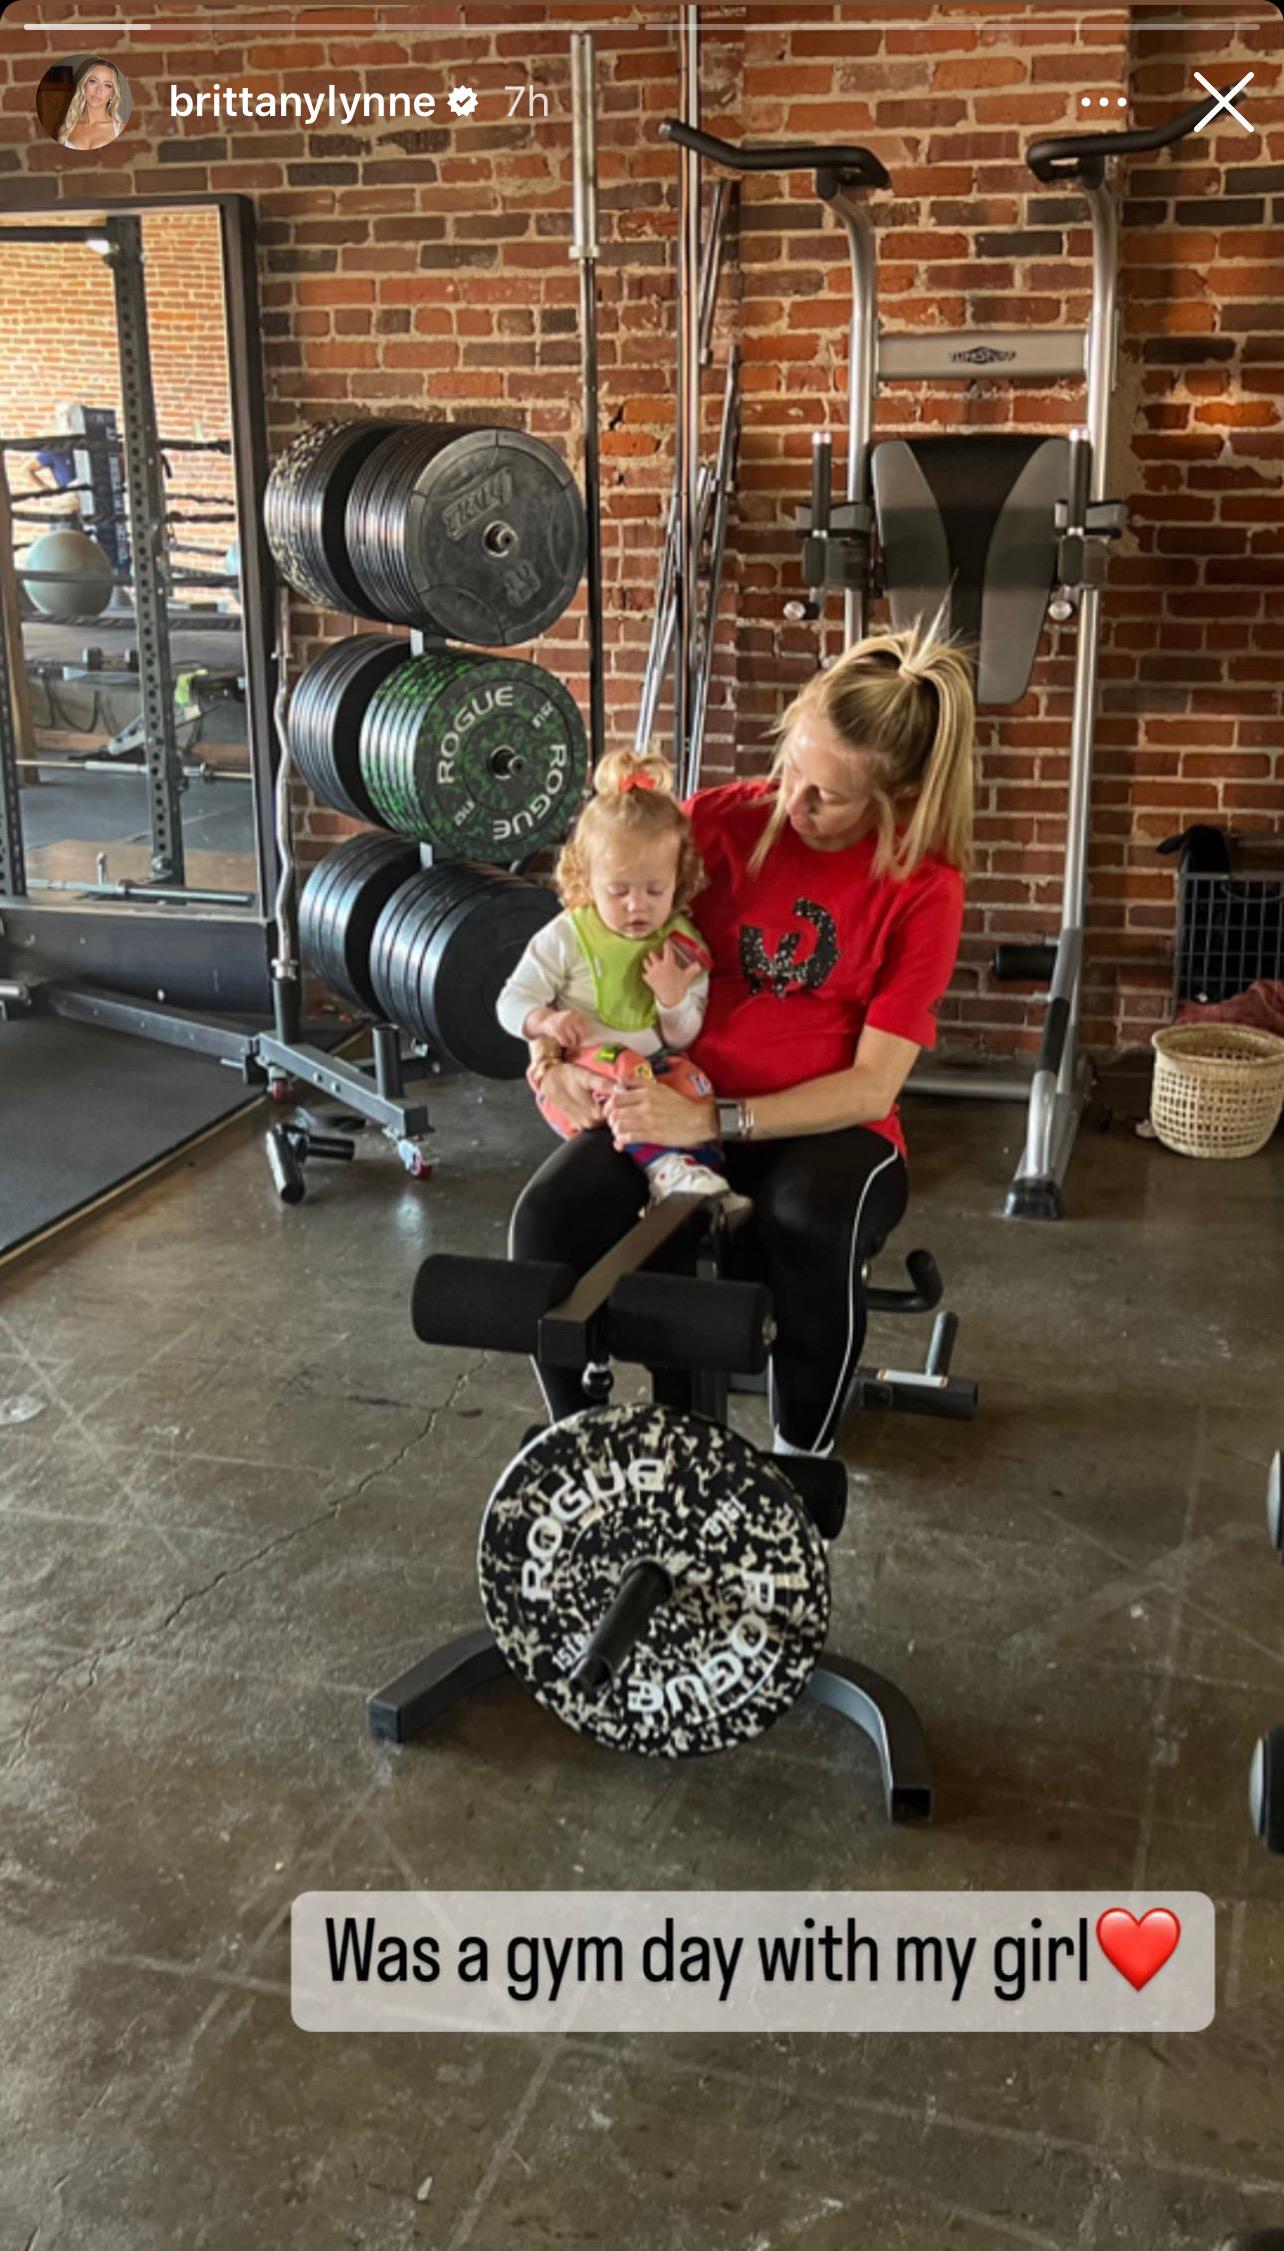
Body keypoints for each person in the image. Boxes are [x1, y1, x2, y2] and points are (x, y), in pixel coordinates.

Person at [509, 621, 974, 1458]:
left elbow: (873, 1086)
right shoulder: (713, 825)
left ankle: (799, 1465)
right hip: (666, 1097)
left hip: (831, 1133)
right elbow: (581, 953)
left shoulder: (923, 887)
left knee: (801, 1222)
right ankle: (585, 1453)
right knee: (548, 1220)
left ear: (892, 797)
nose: (788, 803)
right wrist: (549, 1059)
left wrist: (714, 1120)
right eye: (790, 765)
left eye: (824, 794)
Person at [497, 747, 744, 1206]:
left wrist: (673, 999)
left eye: (656, 890)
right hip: (585, 1078)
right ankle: (665, 1168)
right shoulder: (569, 936)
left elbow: (685, 1033)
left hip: (653, 1067)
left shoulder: (681, 944)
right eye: (618, 891)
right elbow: (509, 1001)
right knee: (628, 1074)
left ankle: (700, 1182)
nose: (638, 906)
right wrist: (545, 1023)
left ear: (680, 877)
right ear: (587, 880)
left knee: (694, 1084)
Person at [57, 59, 124, 150]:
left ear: (112, 93)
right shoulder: (66, 129)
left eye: (107, 85)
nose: (98, 90)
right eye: (93, 81)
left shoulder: (121, 130)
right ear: (84, 85)